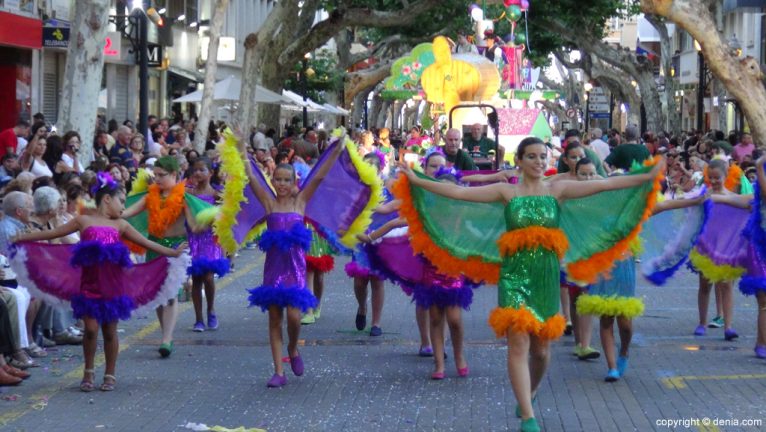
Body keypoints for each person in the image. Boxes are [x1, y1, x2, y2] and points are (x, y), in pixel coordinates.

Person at [394, 136, 662, 431]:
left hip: (545, 276)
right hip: (514, 275)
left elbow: (606, 185)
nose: (538, 162)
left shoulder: (558, 189)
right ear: (519, 161)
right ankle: (527, 415)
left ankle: (530, 392)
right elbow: (457, 193)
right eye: (531, 157)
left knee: (541, 351)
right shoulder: (505, 191)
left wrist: (645, 177)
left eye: (543, 157)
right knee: (518, 342)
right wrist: (416, 181)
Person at [11, 173, 187, 392]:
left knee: (110, 331)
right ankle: (88, 370)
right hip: (89, 285)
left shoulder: (121, 225)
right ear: (106, 199)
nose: (123, 207)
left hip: (113, 285)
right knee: (91, 330)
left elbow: (147, 243)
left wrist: (172, 252)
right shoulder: (83, 220)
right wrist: (21, 239)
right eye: (121, 201)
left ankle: (110, 373)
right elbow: (54, 234)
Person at [235, 131, 345, 388]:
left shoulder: (300, 202)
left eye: (287, 179)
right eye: (278, 179)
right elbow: (251, 176)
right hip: (273, 272)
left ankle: (293, 349)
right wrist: (241, 148)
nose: (282, 184)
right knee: (274, 319)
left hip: (295, 272)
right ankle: (278, 371)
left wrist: (335, 151)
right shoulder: (269, 203)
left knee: (294, 319)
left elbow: (318, 175)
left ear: (294, 181)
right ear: (273, 180)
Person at [121, 156, 212, 357]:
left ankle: (167, 339)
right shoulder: (149, 197)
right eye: (155, 176)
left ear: (174, 174)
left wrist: (208, 221)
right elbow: (126, 214)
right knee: (158, 295)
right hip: (154, 247)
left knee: (170, 294)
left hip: (175, 250)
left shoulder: (183, 198)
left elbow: (194, 226)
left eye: (162, 175)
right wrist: (105, 211)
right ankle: (165, 334)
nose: (157, 180)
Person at [186, 158, 228, 332]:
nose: (198, 173)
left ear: (211, 173)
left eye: (202, 170)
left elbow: (226, 215)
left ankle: (211, 309)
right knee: (196, 278)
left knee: (208, 277)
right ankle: (198, 318)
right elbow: (185, 211)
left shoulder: (217, 194)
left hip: (210, 238)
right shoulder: (188, 194)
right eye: (195, 170)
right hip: (194, 236)